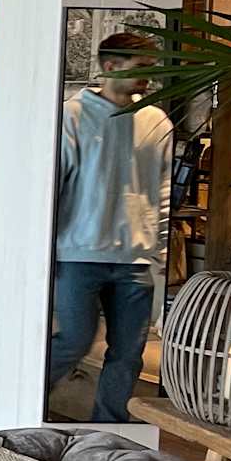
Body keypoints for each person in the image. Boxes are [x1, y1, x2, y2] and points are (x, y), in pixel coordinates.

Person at [48, 31, 174, 423]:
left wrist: (158, 246)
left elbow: (163, 188)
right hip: (77, 252)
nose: (148, 76)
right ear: (110, 66)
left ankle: (109, 430)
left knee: (129, 353)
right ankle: (24, 406)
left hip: (135, 258)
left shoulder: (156, 120)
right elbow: (54, 183)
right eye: (141, 67)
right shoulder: (72, 116)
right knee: (73, 340)